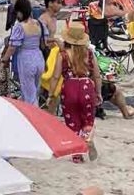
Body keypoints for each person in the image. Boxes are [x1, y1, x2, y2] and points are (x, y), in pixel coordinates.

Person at [47, 23, 101, 163]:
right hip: (86, 86)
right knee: (87, 119)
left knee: (72, 121)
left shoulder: (63, 55)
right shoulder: (89, 53)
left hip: (69, 88)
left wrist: (51, 94)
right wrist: (99, 93)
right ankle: (87, 138)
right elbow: (96, 75)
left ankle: (77, 155)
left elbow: (55, 76)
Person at [0, 0, 47, 105]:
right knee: (35, 92)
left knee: (28, 94)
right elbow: (45, 42)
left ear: (20, 12)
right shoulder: (39, 24)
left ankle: (33, 117)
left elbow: (12, 47)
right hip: (39, 58)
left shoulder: (19, 27)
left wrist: (3, 61)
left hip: (26, 59)